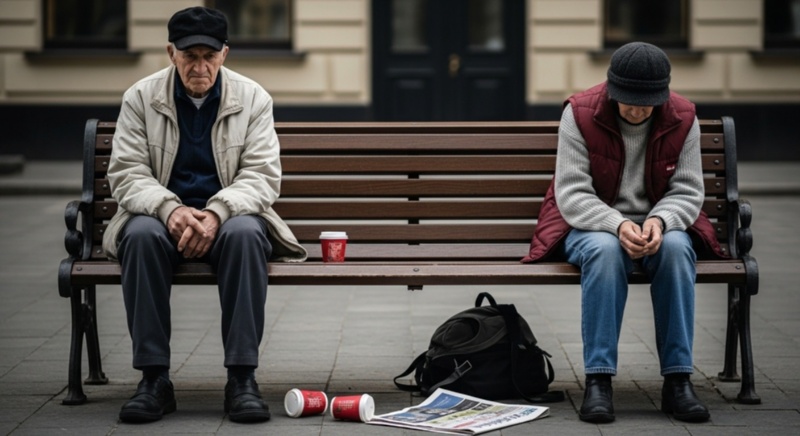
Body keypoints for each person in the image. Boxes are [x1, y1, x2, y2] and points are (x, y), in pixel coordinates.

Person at [101, 6, 307, 424]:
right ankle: (154, 378)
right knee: (138, 236)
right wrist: (169, 209)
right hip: (161, 219)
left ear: (224, 54)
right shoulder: (140, 97)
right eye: (189, 55)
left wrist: (216, 212)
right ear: (170, 53)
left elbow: (263, 176)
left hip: (229, 218)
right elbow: (126, 172)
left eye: (208, 56)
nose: (200, 66)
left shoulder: (252, 98)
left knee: (248, 234)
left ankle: (242, 378)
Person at [522, 42, 727, 423]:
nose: (636, 110)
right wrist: (618, 224)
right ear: (611, 90)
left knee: (678, 249)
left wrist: (659, 221)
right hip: (590, 224)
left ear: (662, 95)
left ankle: (678, 380)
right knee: (603, 250)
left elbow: (688, 190)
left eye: (646, 102)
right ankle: (599, 380)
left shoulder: (683, 118)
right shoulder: (579, 114)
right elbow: (571, 193)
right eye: (628, 100)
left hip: (657, 224)